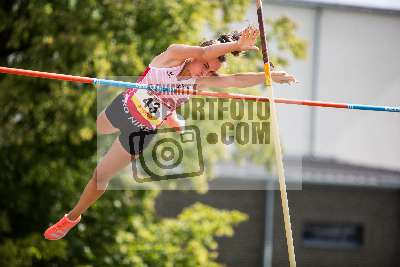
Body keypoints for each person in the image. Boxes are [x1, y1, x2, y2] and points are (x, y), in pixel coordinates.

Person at [43, 26, 296, 240]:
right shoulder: (173, 55)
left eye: (211, 72)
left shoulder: (199, 80)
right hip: (125, 106)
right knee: (99, 127)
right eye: (205, 66)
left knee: (100, 176)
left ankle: (72, 217)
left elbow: (236, 80)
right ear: (195, 56)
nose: (205, 73)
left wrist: (269, 75)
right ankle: (171, 115)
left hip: (142, 130)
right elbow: (207, 52)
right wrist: (235, 45)